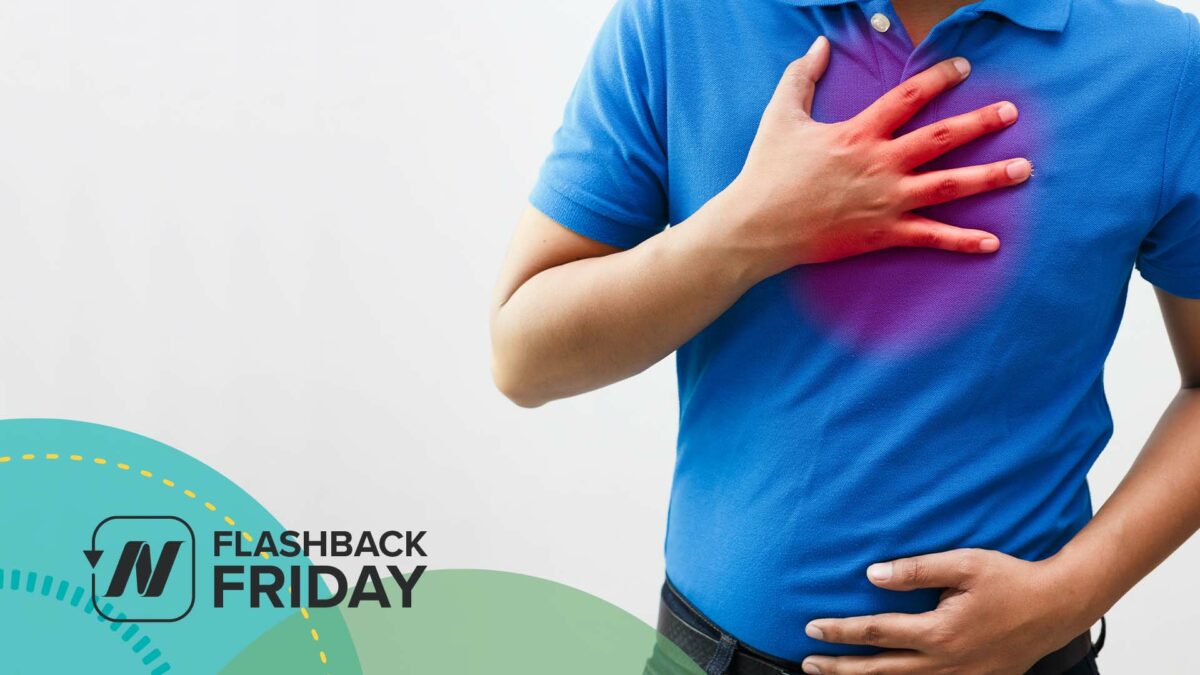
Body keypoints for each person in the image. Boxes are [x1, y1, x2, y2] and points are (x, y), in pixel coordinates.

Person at [490, 0, 1200, 672]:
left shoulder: (1160, 66)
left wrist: (1071, 595)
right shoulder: (683, 18)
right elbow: (526, 356)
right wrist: (752, 226)